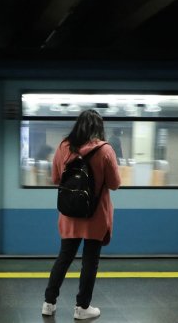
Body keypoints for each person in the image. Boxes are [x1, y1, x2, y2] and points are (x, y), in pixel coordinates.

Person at [42, 109, 121, 320]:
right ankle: (82, 308)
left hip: (70, 214)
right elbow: (115, 184)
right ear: (99, 128)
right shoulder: (106, 150)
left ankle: (49, 303)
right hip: (95, 215)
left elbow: (56, 179)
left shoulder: (63, 147)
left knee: (64, 257)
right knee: (90, 261)